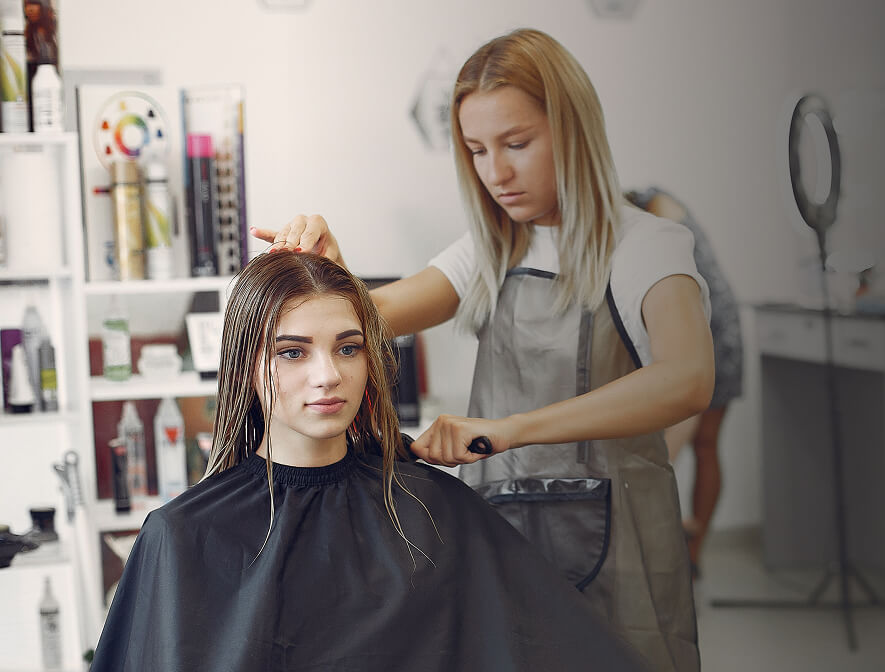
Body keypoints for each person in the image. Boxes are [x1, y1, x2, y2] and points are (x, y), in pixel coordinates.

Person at [253, 28, 713, 671]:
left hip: (622, 546)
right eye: (475, 150)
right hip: (505, 534)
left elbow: (688, 379)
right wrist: (330, 271)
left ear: (573, 129)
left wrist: (509, 431)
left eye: (516, 144)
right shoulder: (494, 251)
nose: (495, 172)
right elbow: (367, 316)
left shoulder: (649, 245)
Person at [88, 252, 651, 671]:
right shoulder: (183, 535)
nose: (329, 375)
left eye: (348, 347)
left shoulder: (435, 509)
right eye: (292, 351)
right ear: (244, 367)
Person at [626, 187, 744, 575]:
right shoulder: (653, 211)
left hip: (714, 332)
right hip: (700, 330)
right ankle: (680, 547)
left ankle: (693, 553)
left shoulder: (657, 217)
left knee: (697, 447)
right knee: (686, 450)